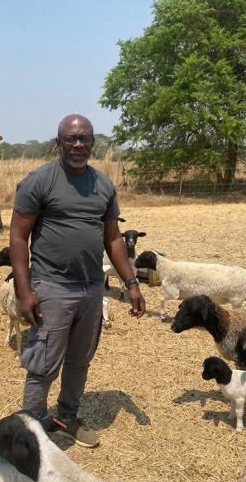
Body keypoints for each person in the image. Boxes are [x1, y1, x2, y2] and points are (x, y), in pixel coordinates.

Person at [10, 114, 146, 447]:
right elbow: (18, 237)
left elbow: (112, 238)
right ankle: (32, 431)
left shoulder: (103, 185)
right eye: (71, 138)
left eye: (84, 138)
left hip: (91, 288)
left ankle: (66, 418)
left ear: (93, 143)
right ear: (58, 142)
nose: (78, 144)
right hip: (52, 286)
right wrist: (24, 291)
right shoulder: (39, 182)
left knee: (79, 360)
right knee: (44, 363)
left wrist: (131, 283)